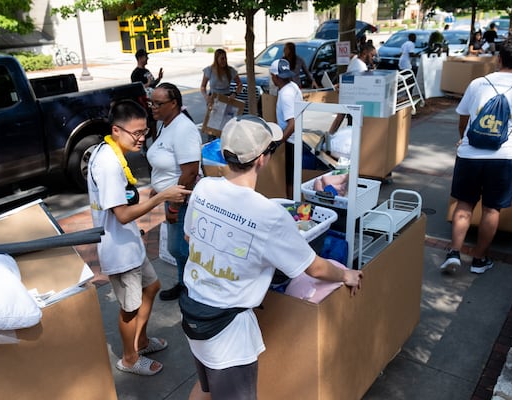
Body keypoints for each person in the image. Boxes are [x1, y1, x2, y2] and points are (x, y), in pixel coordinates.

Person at [180, 115, 363, 400]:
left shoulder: (204, 188)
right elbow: (314, 267)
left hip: (193, 309)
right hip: (228, 331)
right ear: (262, 159)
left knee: (205, 388)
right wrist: (346, 274)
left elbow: (191, 237)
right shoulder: (268, 215)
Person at [87, 100, 191, 375]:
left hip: (129, 243)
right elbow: (121, 215)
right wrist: (162, 197)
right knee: (129, 308)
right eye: (136, 133)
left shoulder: (110, 151)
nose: (142, 138)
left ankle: (141, 341)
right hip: (118, 249)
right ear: (116, 130)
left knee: (152, 286)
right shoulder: (108, 164)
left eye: (145, 131)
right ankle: (130, 358)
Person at [439, 37, 512, 274]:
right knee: (491, 209)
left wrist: (464, 137)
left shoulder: (478, 84)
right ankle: (479, 259)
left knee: (464, 204)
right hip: (504, 157)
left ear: (498, 58)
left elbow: (463, 118)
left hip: (470, 155)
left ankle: (454, 253)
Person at [147, 83, 202, 301]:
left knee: (180, 248)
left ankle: (195, 290)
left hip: (182, 200)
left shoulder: (183, 129)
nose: (153, 107)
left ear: (174, 104)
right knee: (178, 249)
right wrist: (157, 187)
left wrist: (174, 205)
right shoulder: (166, 124)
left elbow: (189, 173)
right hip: (170, 196)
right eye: (152, 102)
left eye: (159, 103)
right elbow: (167, 163)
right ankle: (184, 284)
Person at [270, 58, 303, 197]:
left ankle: (292, 205)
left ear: (275, 77)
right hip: (297, 139)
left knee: (290, 179)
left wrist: (278, 142)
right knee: (293, 176)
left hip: (292, 142)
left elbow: (292, 124)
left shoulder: (285, 94)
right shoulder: (292, 86)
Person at [328, 42, 376, 135]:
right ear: (365, 53)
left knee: (340, 117)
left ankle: (329, 136)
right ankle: (330, 137)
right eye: (372, 56)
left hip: (347, 94)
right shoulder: (361, 68)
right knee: (343, 119)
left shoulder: (355, 59)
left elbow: (352, 56)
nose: (373, 59)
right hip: (353, 98)